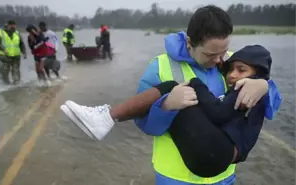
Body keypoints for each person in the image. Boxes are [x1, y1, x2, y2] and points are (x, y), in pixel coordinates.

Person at [60, 5, 281, 185]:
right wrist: (165, 108)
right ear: (189, 43)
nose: (219, 60)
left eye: (223, 51)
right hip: (175, 178)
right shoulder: (160, 67)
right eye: (210, 54)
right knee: (168, 88)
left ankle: (106, 117)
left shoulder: (234, 64)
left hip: (223, 177)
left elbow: (270, 109)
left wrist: (264, 86)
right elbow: (144, 125)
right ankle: (106, 118)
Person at [0, 20, 27, 85]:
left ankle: (16, 86)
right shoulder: (0, 32)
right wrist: (3, 49)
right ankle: (6, 86)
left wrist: (24, 52)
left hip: (16, 56)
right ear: (8, 25)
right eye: (11, 26)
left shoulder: (17, 33)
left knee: (16, 72)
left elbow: (21, 44)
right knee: (4, 72)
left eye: (14, 26)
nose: (13, 28)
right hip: (5, 56)